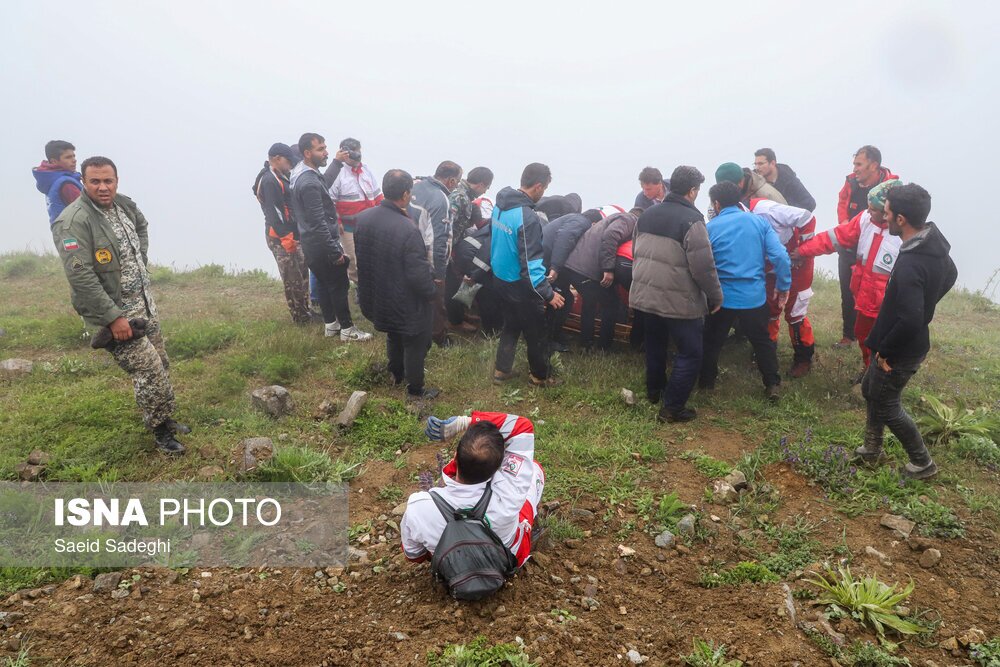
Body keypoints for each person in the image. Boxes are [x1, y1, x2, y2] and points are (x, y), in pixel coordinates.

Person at [52, 156, 186, 454]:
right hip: (115, 313)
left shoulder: (123, 205)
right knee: (147, 369)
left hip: (144, 304)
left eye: (108, 181)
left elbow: (142, 227)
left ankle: (166, 417)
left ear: (116, 181)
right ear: (83, 182)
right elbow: (81, 276)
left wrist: (140, 259)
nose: (103, 187)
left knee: (160, 362)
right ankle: (161, 432)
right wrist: (113, 318)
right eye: (95, 181)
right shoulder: (73, 221)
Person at [856, 183, 957, 480]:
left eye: (887, 213)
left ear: (901, 219)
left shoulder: (912, 262)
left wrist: (885, 351)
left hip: (900, 347)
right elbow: (951, 274)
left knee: (887, 405)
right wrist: (927, 302)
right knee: (870, 389)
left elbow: (911, 320)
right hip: (898, 337)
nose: (883, 216)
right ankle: (872, 448)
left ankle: (922, 463)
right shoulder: (931, 242)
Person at [630, 166, 723, 421]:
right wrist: (715, 295)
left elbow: (637, 250)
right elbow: (703, 267)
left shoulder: (646, 215)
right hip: (678, 299)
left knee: (655, 345)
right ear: (692, 191)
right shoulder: (692, 221)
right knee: (691, 352)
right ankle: (672, 408)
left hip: (647, 293)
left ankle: (655, 391)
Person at [400, 411, 545, 569]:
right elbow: (522, 426)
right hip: (507, 562)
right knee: (534, 469)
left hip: (453, 570)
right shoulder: (510, 490)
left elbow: (414, 555)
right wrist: (464, 422)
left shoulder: (418, 507)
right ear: (498, 468)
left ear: (455, 457)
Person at [793, 180, 902, 370]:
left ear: (888, 212)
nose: (868, 211)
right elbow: (835, 237)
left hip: (885, 305)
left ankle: (881, 377)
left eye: (873, 209)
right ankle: (869, 370)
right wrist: (803, 251)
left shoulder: (902, 237)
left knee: (884, 343)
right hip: (864, 298)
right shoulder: (865, 219)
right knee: (863, 335)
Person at [700, 181, 791, 401]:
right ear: (739, 200)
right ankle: (772, 384)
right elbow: (780, 256)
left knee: (711, 341)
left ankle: (706, 383)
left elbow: (702, 263)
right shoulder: (759, 223)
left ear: (716, 204)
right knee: (762, 341)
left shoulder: (710, 228)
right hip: (753, 297)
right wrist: (783, 285)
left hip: (721, 298)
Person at [355, 169, 438, 402]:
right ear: (405, 194)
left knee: (393, 333)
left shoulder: (363, 218)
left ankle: (396, 373)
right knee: (415, 341)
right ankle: (415, 390)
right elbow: (417, 273)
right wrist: (431, 292)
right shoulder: (408, 229)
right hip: (404, 298)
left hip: (377, 293)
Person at [289, 132, 372, 341]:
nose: (326, 152)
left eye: (325, 147)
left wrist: (336, 162)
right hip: (321, 243)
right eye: (321, 149)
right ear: (307, 153)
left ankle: (331, 325)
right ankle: (348, 329)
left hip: (310, 242)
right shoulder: (309, 182)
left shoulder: (302, 172)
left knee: (325, 284)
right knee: (338, 285)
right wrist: (335, 252)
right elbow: (318, 222)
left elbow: (322, 185)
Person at [491, 163, 565, 386]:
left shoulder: (500, 204)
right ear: (539, 186)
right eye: (545, 188)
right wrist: (548, 294)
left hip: (500, 277)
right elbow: (530, 264)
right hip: (519, 285)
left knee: (511, 325)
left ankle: (501, 370)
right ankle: (540, 377)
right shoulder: (527, 217)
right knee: (536, 332)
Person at [739, 197, 817, 378]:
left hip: (796, 266)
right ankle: (766, 353)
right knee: (768, 310)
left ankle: (803, 358)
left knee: (795, 313)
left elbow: (807, 217)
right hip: (769, 269)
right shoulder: (729, 220)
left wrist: (803, 250)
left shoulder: (767, 210)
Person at [834, 146, 898, 347]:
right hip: (850, 245)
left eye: (859, 164)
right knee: (848, 291)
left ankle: (875, 338)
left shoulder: (890, 187)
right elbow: (842, 203)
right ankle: (849, 335)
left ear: (874, 165)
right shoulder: (851, 182)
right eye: (854, 164)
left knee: (876, 295)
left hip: (877, 248)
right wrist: (845, 224)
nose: (855, 169)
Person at [562, 207, 634, 351]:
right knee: (611, 303)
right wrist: (608, 269)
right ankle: (603, 347)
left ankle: (586, 344)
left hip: (575, 266)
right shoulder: (630, 220)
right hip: (587, 270)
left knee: (590, 301)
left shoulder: (610, 220)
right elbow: (612, 235)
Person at [255, 142, 311, 324]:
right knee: (292, 278)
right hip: (281, 237)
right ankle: (300, 317)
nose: (290, 164)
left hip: (293, 233)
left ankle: (306, 310)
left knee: (301, 273)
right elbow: (275, 212)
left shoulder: (280, 175)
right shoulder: (269, 180)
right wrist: (286, 238)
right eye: (288, 161)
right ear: (277, 158)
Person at [412, 161, 463, 346]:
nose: (457, 185)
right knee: (435, 301)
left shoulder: (417, 186)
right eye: (457, 181)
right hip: (426, 258)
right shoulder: (440, 199)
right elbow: (438, 240)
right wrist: (439, 274)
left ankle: (418, 328)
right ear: (451, 180)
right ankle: (439, 338)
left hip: (411, 252)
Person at [542, 208, 602, 351]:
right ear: (594, 224)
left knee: (565, 297)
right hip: (545, 260)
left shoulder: (574, 218)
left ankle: (555, 334)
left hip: (545, 257)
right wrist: (555, 267)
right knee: (561, 298)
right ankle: (548, 339)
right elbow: (564, 238)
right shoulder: (581, 222)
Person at [325, 138, 383, 284]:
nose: (357, 155)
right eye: (353, 152)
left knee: (371, 254)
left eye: (358, 152)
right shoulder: (338, 173)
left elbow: (378, 196)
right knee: (353, 259)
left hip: (369, 223)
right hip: (348, 225)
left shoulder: (366, 171)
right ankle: (359, 285)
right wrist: (337, 221)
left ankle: (371, 283)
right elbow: (330, 201)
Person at [446, 166, 495, 331]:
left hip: (454, 245)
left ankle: (460, 315)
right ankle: (455, 321)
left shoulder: (466, 197)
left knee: (457, 282)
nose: (485, 192)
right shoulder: (459, 197)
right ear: (481, 184)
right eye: (486, 188)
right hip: (448, 248)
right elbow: (446, 224)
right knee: (452, 285)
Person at [33, 140, 82, 225]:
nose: (74, 160)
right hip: (76, 229)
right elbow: (87, 211)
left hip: (62, 229)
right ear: (54, 161)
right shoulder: (67, 184)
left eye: (74, 156)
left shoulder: (52, 180)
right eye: (68, 157)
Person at [752, 148, 816, 211]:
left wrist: (788, 212)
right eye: (755, 164)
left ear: (773, 163)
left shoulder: (788, 179)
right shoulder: (753, 180)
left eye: (760, 164)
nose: (757, 168)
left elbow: (810, 203)